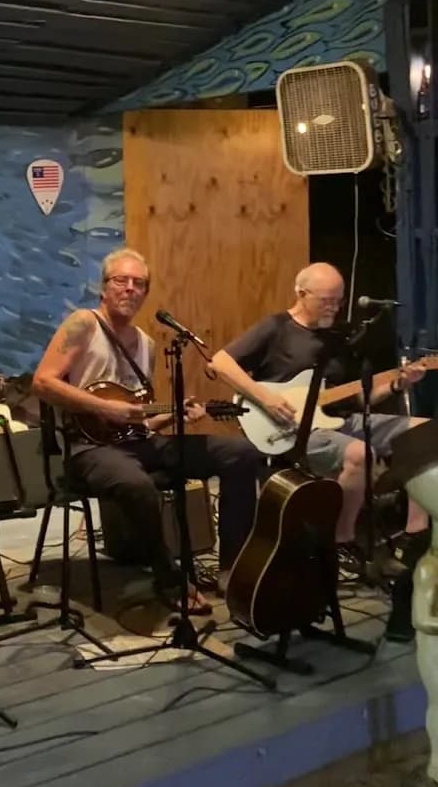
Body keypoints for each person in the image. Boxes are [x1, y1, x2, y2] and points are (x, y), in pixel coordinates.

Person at [32, 247, 261, 604]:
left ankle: (231, 569)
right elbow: (42, 382)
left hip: (139, 441)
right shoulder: (83, 324)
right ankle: (169, 579)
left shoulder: (147, 344)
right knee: (136, 484)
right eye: (121, 280)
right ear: (104, 288)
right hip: (90, 449)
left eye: (139, 284)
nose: (129, 289)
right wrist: (103, 408)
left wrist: (173, 414)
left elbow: (141, 418)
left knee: (242, 453)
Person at [209, 262, 427, 555]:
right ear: (301, 293)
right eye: (326, 301)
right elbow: (220, 362)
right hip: (293, 429)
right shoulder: (276, 327)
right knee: (360, 455)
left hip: (340, 421)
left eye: (338, 301)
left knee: (425, 433)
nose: (333, 308)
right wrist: (265, 397)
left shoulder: (339, 338)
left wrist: (398, 385)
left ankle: (416, 536)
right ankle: (342, 539)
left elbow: (359, 399)